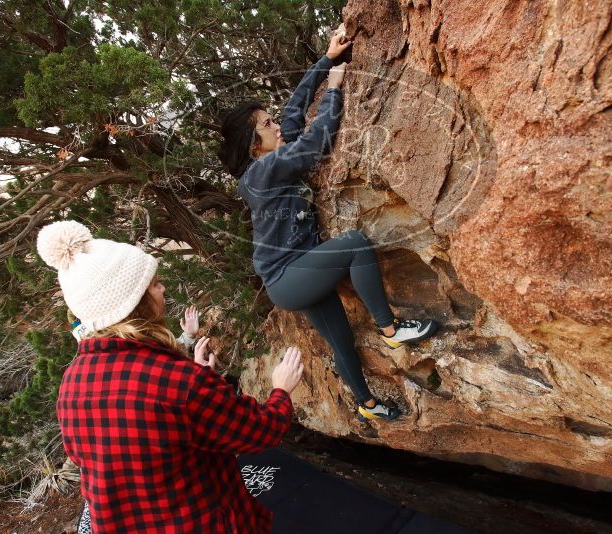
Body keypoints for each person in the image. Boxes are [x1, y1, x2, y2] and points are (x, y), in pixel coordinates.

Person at [218, 25, 438, 423]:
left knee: (342, 341)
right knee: (354, 243)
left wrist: (327, 59)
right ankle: (391, 330)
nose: (276, 126)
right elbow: (316, 141)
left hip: (298, 275)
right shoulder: (261, 172)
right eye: (267, 126)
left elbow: (293, 113)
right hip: (287, 277)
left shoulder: (266, 162)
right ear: (254, 146)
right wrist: (334, 89)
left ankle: (366, 405)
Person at [37, 219, 304, 533]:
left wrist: (201, 381)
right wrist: (281, 390)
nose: (162, 288)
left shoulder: (72, 383)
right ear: (134, 303)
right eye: (153, 284)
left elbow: (93, 455)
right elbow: (259, 432)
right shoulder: (180, 382)